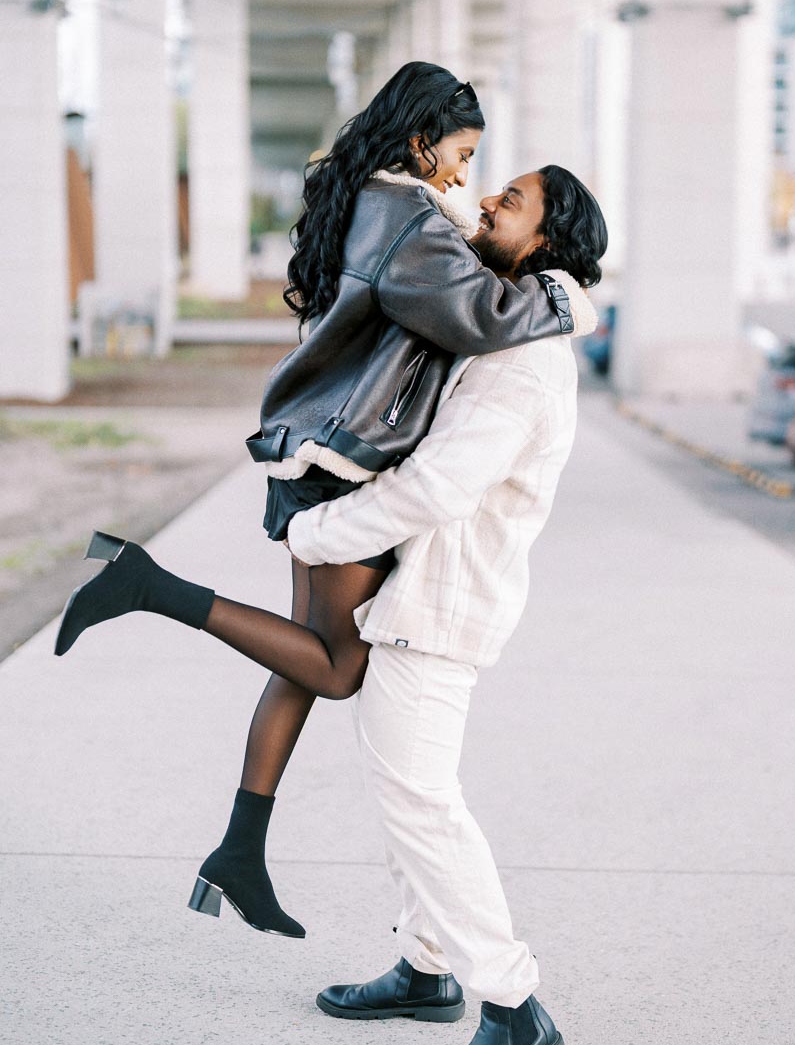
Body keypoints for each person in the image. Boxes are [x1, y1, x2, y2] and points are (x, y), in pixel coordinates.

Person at [53, 63, 580, 940]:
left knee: (304, 659)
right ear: (422, 139)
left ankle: (239, 849)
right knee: (335, 670)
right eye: (461, 152)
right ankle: (147, 586)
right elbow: (482, 317)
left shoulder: (384, 203)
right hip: (341, 462)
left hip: (319, 449)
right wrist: (565, 296)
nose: (465, 175)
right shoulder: (411, 224)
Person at [286, 165, 607, 1045]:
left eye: (511, 201)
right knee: (405, 792)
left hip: (444, 606)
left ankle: (513, 1008)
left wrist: (317, 534)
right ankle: (425, 967)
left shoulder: (526, 359)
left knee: (421, 802)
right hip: (420, 598)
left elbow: (437, 488)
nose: (489, 202)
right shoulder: (501, 325)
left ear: (546, 240)